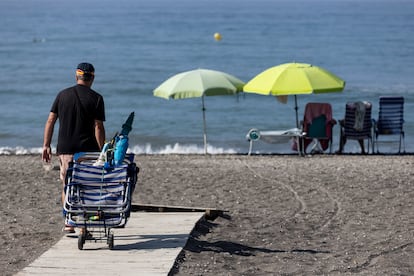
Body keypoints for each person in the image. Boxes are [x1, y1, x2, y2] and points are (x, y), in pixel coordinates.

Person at [42, 62, 106, 233]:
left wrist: (46, 145)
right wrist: (102, 151)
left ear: (76, 76)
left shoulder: (62, 95)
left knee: (67, 184)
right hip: (88, 150)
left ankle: (69, 222)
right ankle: (84, 225)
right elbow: (98, 127)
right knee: (86, 185)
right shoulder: (97, 98)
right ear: (92, 77)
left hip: (65, 148)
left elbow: (50, 120)